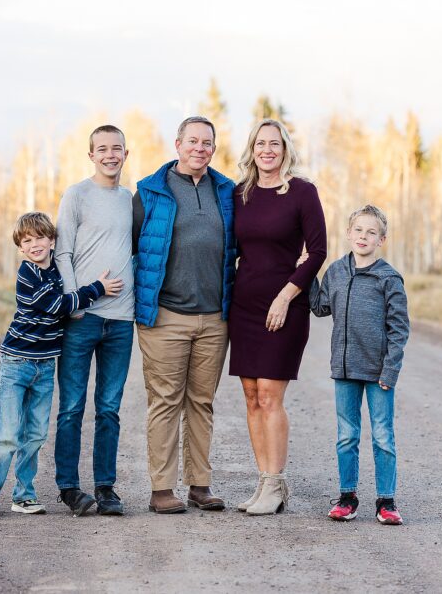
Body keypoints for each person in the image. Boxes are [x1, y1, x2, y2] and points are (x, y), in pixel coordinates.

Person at [0, 212, 122, 517]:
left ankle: (24, 495)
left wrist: (81, 295)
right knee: (8, 432)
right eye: (27, 241)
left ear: (52, 240)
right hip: (17, 363)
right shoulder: (28, 273)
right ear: (21, 249)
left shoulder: (59, 272)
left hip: (45, 366)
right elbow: (57, 306)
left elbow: (68, 301)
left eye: (40, 237)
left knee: (36, 434)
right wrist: (96, 289)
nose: (35, 244)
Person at [132, 116, 237, 514]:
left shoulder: (226, 192)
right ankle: (162, 489)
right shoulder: (149, 192)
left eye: (207, 142)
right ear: (177, 144)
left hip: (214, 318)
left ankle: (200, 485)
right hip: (165, 316)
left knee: (202, 402)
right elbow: (131, 248)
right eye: (192, 141)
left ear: (214, 148)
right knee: (164, 401)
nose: (199, 148)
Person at [228, 119, 327, 515]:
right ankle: (264, 483)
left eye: (275, 144)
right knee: (251, 397)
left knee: (270, 395)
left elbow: (317, 252)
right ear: (252, 149)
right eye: (260, 143)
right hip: (245, 305)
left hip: (284, 306)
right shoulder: (240, 194)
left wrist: (286, 296)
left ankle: (277, 482)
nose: (267, 150)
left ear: (285, 149)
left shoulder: (302, 192)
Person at [309, 204, 410, 524]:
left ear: (382, 239)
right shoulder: (336, 271)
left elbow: (399, 329)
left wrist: (390, 370)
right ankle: (347, 496)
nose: (363, 236)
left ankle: (386, 501)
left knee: (382, 435)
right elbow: (320, 307)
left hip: (378, 372)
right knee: (346, 435)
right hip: (344, 370)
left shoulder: (389, 278)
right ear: (348, 234)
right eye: (358, 230)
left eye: (371, 232)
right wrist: (308, 273)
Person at [53, 125, 135, 517]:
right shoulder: (77, 195)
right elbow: (62, 253)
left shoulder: (129, 199)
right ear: (90, 155)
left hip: (120, 322)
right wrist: (75, 305)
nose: (109, 155)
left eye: (116, 148)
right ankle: (69, 487)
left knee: (109, 407)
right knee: (71, 406)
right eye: (101, 149)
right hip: (82, 318)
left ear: (125, 153)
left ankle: (106, 488)